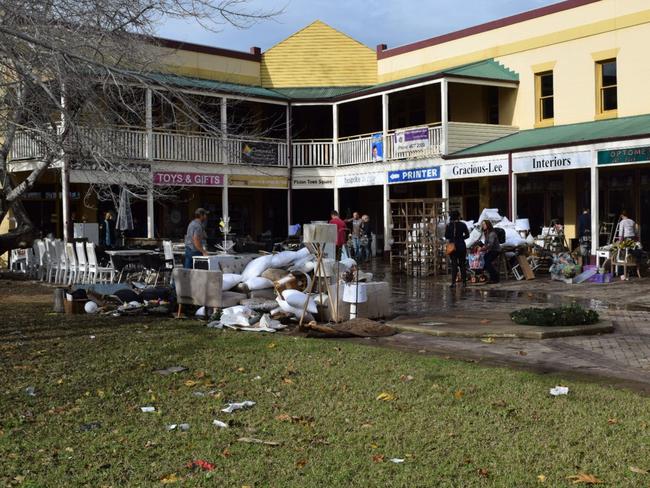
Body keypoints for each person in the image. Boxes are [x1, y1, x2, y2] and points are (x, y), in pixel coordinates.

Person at [445, 210, 469, 288]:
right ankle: (464, 283)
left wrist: (453, 238)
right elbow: (467, 235)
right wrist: (461, 238)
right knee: (462, 264)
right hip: (461, 246)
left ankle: (453, 283)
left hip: (453, 247)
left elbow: (446, 236)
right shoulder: (463, 225)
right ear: (458, 216)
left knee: (454, 265)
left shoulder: (449, 225)